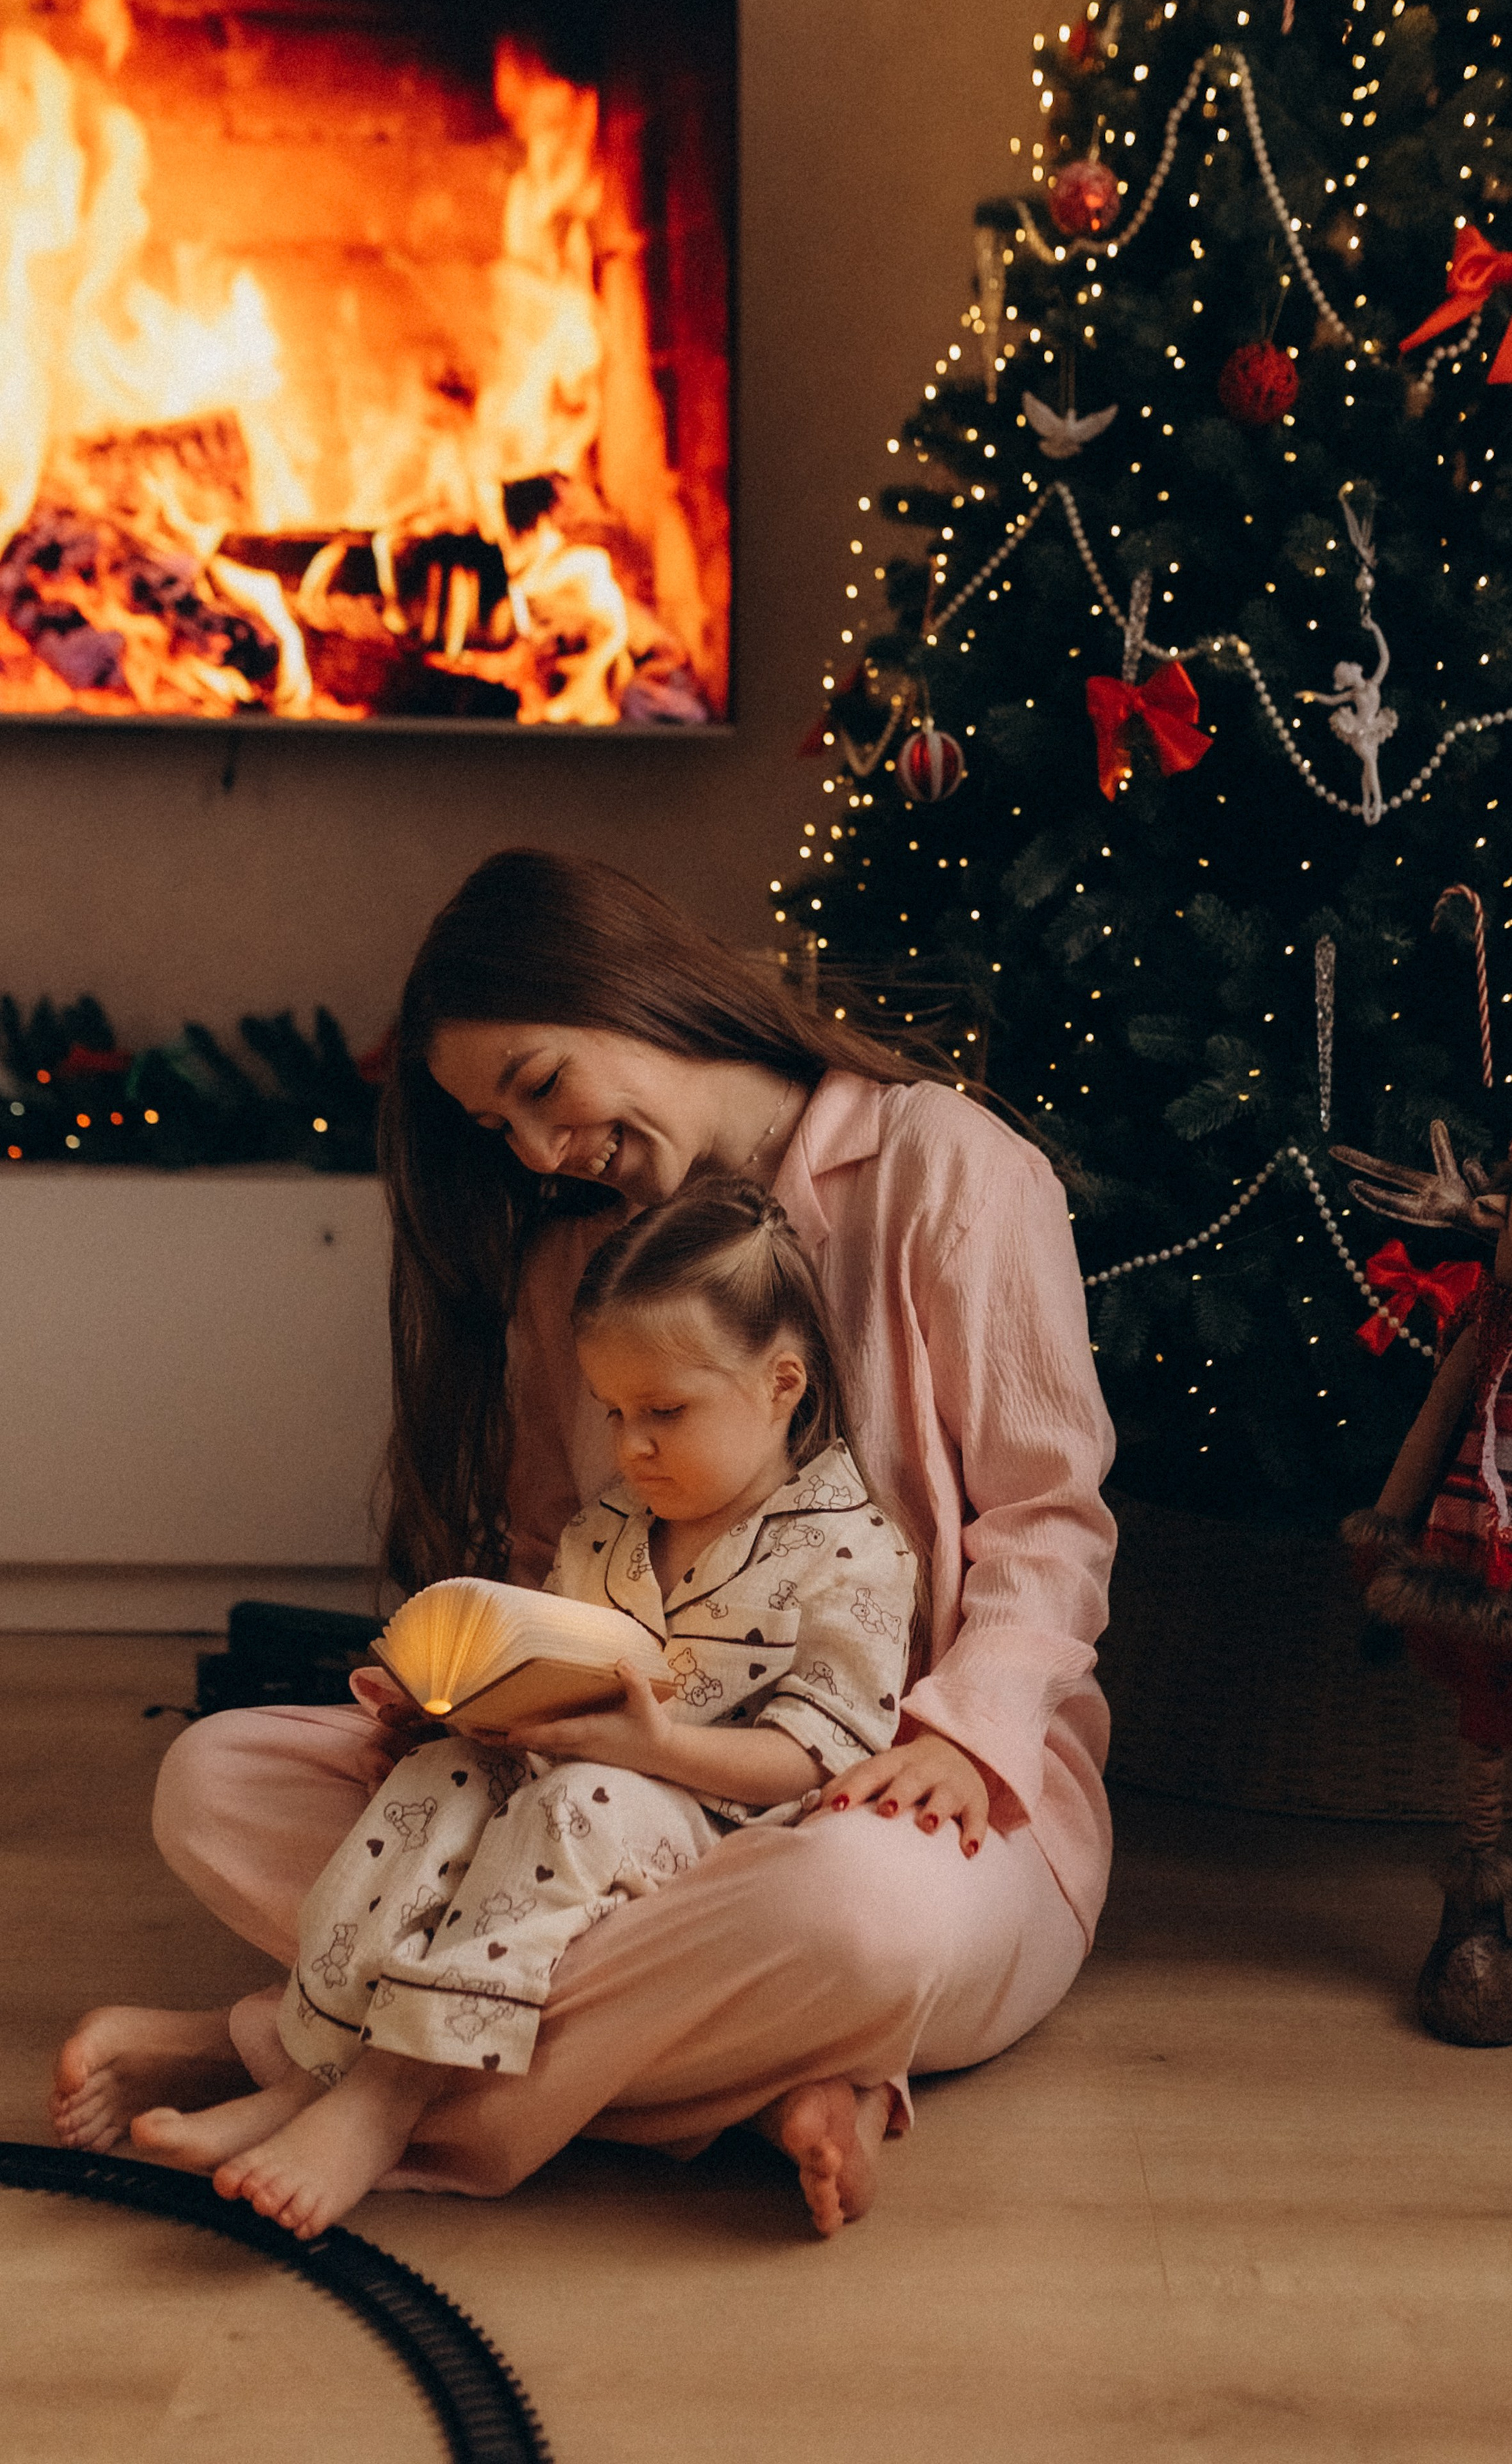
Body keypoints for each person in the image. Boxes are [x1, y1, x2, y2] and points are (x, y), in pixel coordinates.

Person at [53, 848, 1116, 2238]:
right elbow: (550, 1553)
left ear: (636, 992)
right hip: (603, 1805)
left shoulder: (944, 1168)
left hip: (897, 1800)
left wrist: (965, 1733)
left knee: (865, 1916)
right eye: (500, 1129)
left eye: (542, 1087)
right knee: (215, 1779)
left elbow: (1048, 1519)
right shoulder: (574, 1269)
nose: (541, 1152)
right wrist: (470, 1696)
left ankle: (303, 2054)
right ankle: (768, 2078)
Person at [130, 1177, 917, 2238]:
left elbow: (812, 1761)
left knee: (580, 1805)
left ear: (781, 1383)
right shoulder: (607, 1529)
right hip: (566, 1791)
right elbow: (558, 1662)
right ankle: (323, 2063)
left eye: (665, 1412)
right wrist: (458, 1707)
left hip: (730, 1832)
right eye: (614, 1413)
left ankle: (384, 2095)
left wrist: (660, 1746)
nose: (632, 1445)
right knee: (436, 1781)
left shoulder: (855, 1548)